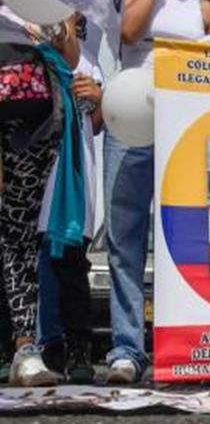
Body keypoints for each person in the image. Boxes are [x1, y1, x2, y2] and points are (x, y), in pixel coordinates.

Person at [105, 0, 210, 384]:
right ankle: (127, 349)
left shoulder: (206, 9)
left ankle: (185, 346)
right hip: (131, 124)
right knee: (124, 239)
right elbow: (128, 33)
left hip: (184, 131)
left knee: (188, 242)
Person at [0, 6, 80, 386]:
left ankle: (25, 348)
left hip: (35, 117)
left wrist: (61, 23)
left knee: (18, 233)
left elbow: (70, 56)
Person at [37, 28, 104, 384]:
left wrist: (95, 98)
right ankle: (36, 348)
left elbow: (96, 124)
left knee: (71, 264)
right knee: (29, 259)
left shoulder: (89, 60)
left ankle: (78, 348)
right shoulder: (24, 47)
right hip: (33, 167)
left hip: (73, 178)